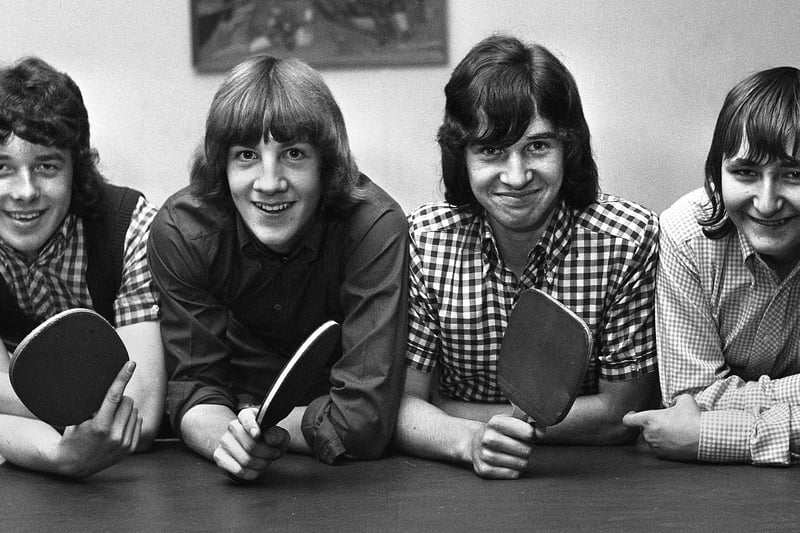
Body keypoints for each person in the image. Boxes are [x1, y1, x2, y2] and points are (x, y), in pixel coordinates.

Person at [393, 35, 659, 479]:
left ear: (567, 146)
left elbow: (619, 417)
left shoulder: (628, 240)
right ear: (461, 155)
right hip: (454, 483)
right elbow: (403, 406)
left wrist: (450, 410)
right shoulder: (425, 239)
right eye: (492, 151)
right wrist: (469, 440)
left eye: (537, 147)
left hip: (597, 483)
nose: (515, 177)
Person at [147, 54, 408, 482]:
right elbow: (194, 388)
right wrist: (229, 440)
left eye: (293, 154)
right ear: (221, 164)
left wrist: (255, 426)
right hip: (230, 444)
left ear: (326, 165)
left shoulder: (374, 227)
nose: (269, 182)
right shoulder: (183, 230)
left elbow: (364, 419)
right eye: (247, 155)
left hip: (347, 476)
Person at [623, 67, 800, 465]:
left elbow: (693, 424)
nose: (768, 202)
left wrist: (715, 434)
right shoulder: (686, 235)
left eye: (793, 174)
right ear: (717, 173)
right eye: (746, 173)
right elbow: (692, 395)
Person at [0, 57, 165, 476]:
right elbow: (111, 413)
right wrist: (61, 455)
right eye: (2, 168)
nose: (25, 191)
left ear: (78, 167)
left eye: (46, 166)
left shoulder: (129, 228)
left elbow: (139, 413)